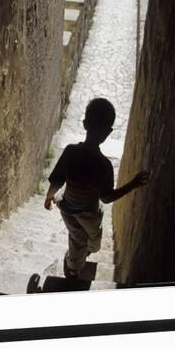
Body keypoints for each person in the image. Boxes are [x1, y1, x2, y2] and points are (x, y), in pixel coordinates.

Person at [44, 98, 148, 278]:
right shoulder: (103, 166)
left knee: (91, 243)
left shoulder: (70, 152)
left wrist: (49, 196)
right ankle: (72, 268)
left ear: (84, 124)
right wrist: (133, 184)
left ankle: (76, 259)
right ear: (107, 133)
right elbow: (106, 198)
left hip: (72, 209)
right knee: (80, 242)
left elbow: (57, 179)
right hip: (83, 213)